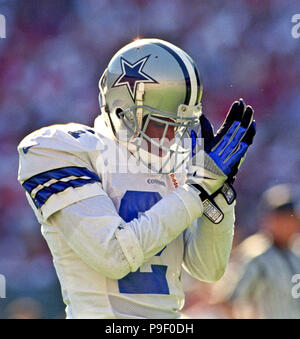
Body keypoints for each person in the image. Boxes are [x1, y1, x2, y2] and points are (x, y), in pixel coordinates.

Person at [17, 39, 256, 319]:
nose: (169, 138)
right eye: (159, 123)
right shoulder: (64, 149)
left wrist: (218, 193)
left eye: (176, 127)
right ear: (122, 109)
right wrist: (198, 188)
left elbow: (208, 268)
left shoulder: (175, 160)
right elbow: (114, 255)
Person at [225, 184, 300, 319]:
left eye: (292, 219)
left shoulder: (296, 252)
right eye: (284, 219)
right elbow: (230, 301)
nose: (290, 224)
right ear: (270, 220)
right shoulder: (256, 254)